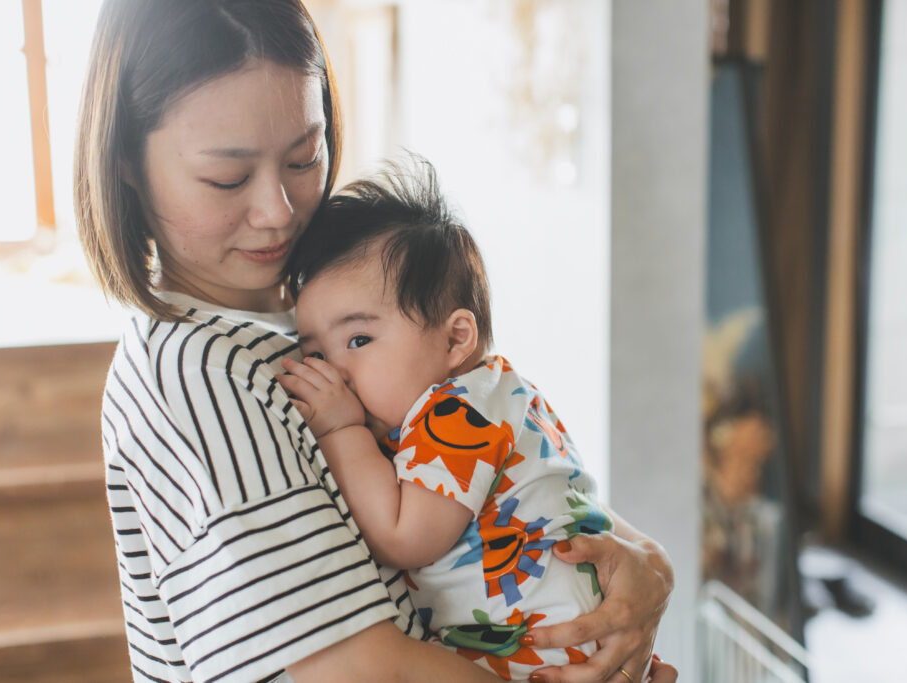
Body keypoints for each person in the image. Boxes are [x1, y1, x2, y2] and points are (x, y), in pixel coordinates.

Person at [73, 1, 676, 681]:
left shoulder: (312, 306)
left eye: (304, 156)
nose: (278, 212)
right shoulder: (194, 374)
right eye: (228, 178)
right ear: (124, 159)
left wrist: (645, 564)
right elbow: (361, 670)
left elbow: (501, 486)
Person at [278, 156, 654, 682]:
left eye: (359, 340)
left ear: (457, 338)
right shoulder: (496, 393)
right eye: (315, 353)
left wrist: (342, 431)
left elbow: (405, 536)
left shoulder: (458, 413)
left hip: (547, 659)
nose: (333, 372)